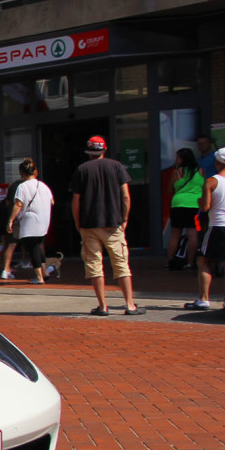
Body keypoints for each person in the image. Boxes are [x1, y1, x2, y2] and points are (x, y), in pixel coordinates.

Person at [68, 135, 146, 316]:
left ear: (88, 152)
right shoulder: (117, 166)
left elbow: (76, 201)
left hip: (89, 224)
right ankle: (130, 305)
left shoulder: (82, 170)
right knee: (121, 263)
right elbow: (126, 196)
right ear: (104, 149)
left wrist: (78, 224)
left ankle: (102, 306)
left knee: (94, 264)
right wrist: (124, 218)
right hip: (112, 223)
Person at [185, 147, 225, 310]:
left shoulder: (212, 181)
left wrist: (199, 201)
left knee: (204, 260)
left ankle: (204, 299)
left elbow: (205, 207)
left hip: (218, 225)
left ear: (217, 162)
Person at [5, 159, 54, 284]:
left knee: (33, 248)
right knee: (37, 245)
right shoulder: (43, 186)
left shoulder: (22, 187)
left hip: (30, 221)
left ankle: (39, 277)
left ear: (22, 173)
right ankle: (45, 271)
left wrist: (11, 220)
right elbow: (52, 201)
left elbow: (18, 204)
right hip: (43, 220)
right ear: (35, 171)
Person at [167, 148, 204, 271]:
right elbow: (203, 187)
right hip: (195, 205)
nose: (176, 160)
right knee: (193, 233)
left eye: (177, 157)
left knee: (175, 234)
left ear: (182, 159)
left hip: (178, 204)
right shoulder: (200, 171)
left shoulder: (177, 172)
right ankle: (190, 262)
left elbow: (170, 189)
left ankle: (170, 260)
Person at [0, 166, 28, 279]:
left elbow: (8, 203)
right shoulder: (30, 185)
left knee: (11, 244)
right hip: (25, 217)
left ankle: (5, 269)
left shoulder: (14, 185)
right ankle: (40, 269)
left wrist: (10, 218)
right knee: (37, 243)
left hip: (14, 217)